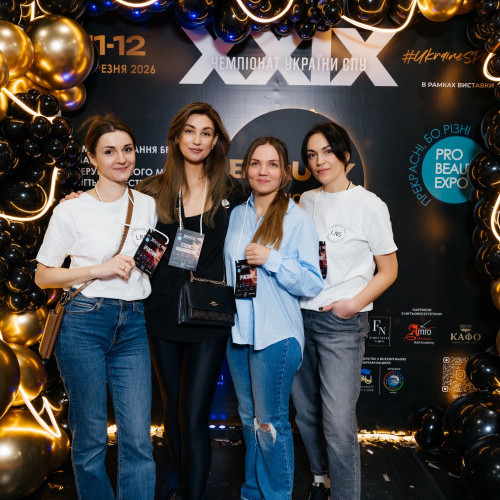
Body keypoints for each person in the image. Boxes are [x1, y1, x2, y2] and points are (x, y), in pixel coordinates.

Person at [35, 115, 157, 500]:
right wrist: (96, 270)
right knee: (90, 439)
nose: (121, 158)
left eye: (127, 149)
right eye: (109, 151)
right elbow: (43, 276)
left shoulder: (148, 205)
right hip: (84, 323)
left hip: (133, 324)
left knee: (138, 439)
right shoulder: (72, 210)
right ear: (92, 158)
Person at [135, 102, 245, 500]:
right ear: (176, 136)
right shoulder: (151, 189)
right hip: (162, 312)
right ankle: (183, 485)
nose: (197, 140)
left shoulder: (232, 190)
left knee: (195, 415)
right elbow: (116, 218)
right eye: (190, 131)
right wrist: (79, 200)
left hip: (208, 314)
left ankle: (193, 494)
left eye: (206, 133)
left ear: (215, 141)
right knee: (172, 410)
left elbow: (268, 210)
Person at [291, 122, 398, 500]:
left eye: (327, 152)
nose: (320, 161)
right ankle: (319, 477)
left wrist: (352, 305)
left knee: (337, 423)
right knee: (306, 412)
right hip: (299, 319)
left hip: (341, 325)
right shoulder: (305, 201)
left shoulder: (370, 205)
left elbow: (389, 270)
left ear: (345, 155)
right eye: (312, 155)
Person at [223, 136, 324, 500]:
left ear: (284, 173)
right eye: (255, 163)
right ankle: (252, 493)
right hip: (239, 334)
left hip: (276, 336)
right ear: (245, 169)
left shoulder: (297, 219)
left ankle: (277, 495)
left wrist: (273, 260)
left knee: (269, 422)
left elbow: (312, 282)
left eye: (272, 164)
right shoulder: (237, 215)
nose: (262, 171)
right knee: (249, 419)